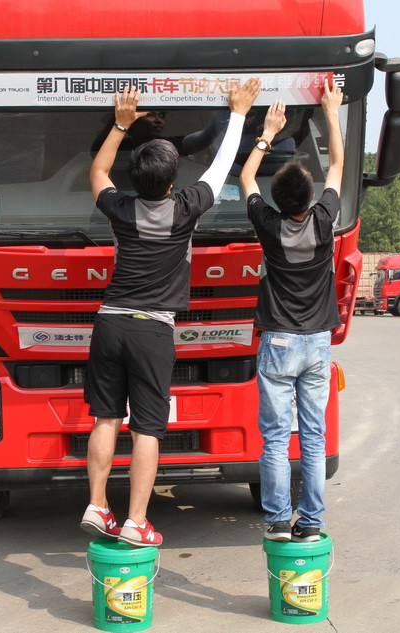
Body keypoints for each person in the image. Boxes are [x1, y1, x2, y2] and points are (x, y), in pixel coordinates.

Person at [80, 78, 261, 547]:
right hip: (152, 331)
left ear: (135, 179)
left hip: (109, 322)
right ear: (172, 180)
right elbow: (221, 167)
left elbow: (97, 174)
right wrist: (240, 114)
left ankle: (98, 506)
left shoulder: (120, 208)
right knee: (147, 428)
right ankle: (137, 520)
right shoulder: (186, 209)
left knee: (104, 419)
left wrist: (120, 126)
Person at [237, 78, 344, 543]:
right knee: (314, 438)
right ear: (311, 200)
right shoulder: (324, 222)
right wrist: (331, 112)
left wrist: (267, 132)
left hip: (277, 340)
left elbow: (244, 178)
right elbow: (338, 163)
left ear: (278, 201)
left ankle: (279, 521)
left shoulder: (267, 224)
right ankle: (313, 522)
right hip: (317, 342)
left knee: (277, 438)